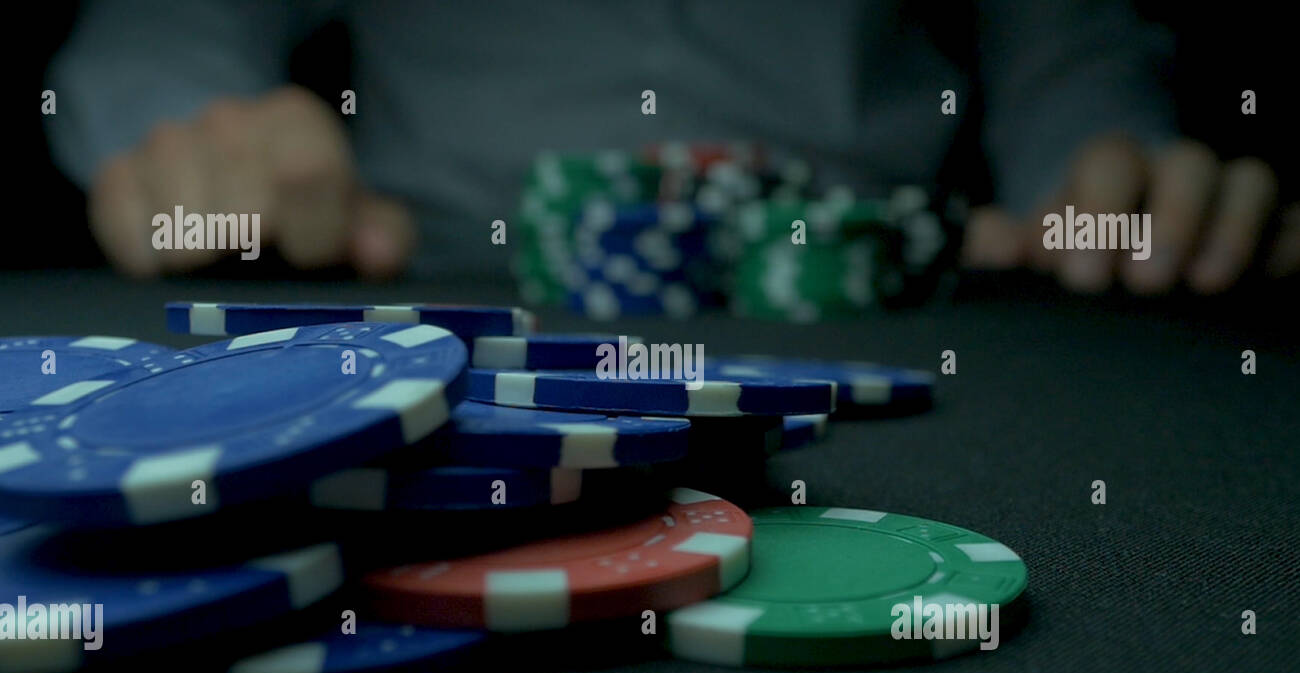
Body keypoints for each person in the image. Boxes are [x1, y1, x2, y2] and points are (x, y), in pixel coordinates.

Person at [44, 1, 1296, 294]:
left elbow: (1068, 50)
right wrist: (201, 146)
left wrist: (1111, 181)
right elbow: (158, 28)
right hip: (425, 286)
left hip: (907, 293)